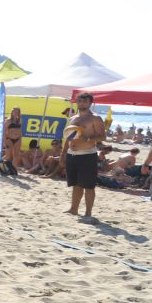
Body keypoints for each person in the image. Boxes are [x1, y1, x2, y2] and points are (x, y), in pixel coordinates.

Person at [59, 92, 105, 220]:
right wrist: (63, 154)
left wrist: (88, 138)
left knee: (89, 186)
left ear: (90, 103)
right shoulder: (73, 118)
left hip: (87, 155)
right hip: (72, 154)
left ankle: (88, 213)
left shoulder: (95, 118)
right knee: (76, 184)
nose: (81, 103)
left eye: (85, 101)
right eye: (79, 101)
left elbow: (102, 136)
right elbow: (68, 138)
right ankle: (73, 209)